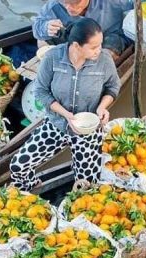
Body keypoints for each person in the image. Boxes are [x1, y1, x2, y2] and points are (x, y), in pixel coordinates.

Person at [10, 18, 120, 191]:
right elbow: (41, 91)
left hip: (88, 129)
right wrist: (66, 115)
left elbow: (113, 86)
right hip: (57, 124)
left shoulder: (104, 60)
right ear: (76, 46)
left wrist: (102, 107)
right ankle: (31, 190)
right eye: (93, 47)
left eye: (100, 45)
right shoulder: (53, 58)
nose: (99, 51)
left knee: (87, 184)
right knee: (18, 166)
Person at [32, 0, 146, 59]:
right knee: (42, 37)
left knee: (109, 50)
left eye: (76, 3)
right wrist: (45, 27)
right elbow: (36, 26)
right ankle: (50, 65)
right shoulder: (53, 6)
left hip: (108, 37)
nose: (70, 9)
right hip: (75, 40)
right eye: (66, 3)